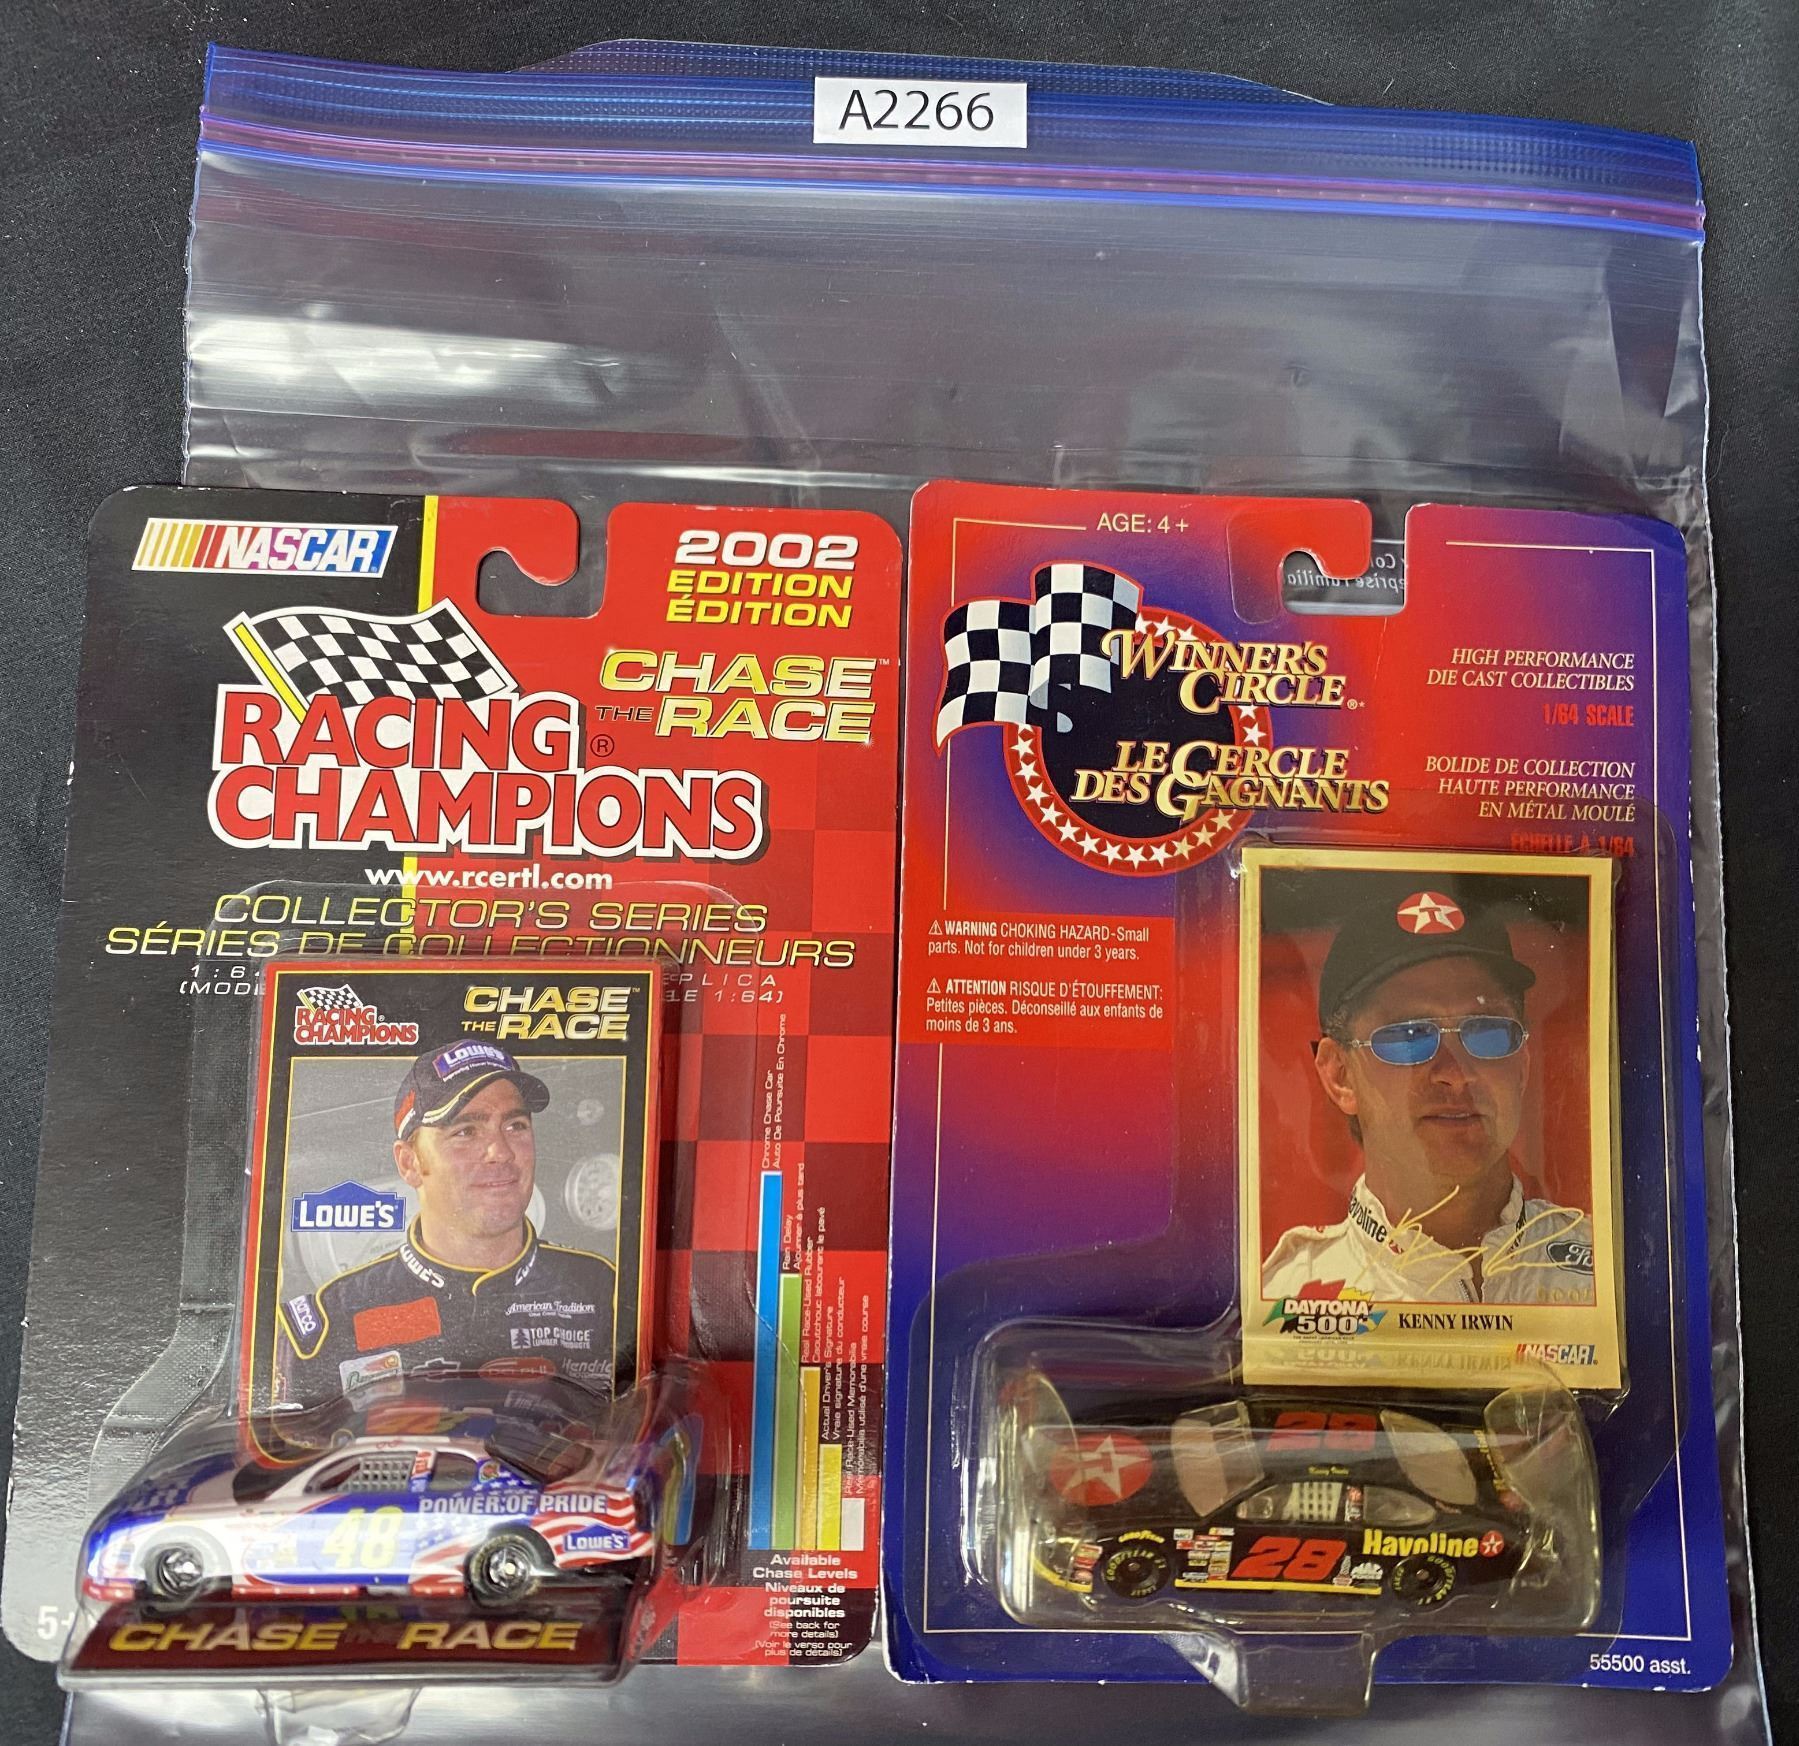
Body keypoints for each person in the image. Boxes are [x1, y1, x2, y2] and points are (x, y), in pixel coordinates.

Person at [1261, 885, 1595, 1305]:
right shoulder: (1289, 1300)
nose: (1455, 1075)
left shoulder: (1607, 1277)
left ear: (1523, 1066)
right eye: (1408, 1035)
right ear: (1340, 1076)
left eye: (1487, 1030)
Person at [279, 1040, 616, 1400]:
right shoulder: (330, 1324)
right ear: (409, 1163)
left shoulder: (605, 1292)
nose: (500, 1152)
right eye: (465, 1132)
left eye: (515, 1125)